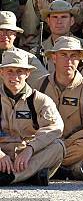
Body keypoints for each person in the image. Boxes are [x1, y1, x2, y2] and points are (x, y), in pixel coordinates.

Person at [36, 36, 83, 180]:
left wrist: (63, 144)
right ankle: (66, 171)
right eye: (63, 55)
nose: (69, 61)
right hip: (44, 143)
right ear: (54, 57)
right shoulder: (39, 86)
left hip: (73, 145)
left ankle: (45, 168)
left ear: (79, 60)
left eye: (73, 56)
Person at [0, 50, 64, 186]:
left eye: (19, 72)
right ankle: (30, 177)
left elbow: (56, 127)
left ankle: (10, 177)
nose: (14, 76)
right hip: (2, 150)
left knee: (58, 147)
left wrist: (31, 148)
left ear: (27, 74)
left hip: (27, 155)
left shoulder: (40, 100)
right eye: (9, 71)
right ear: (2, 73)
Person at [35, 0, 83, 72]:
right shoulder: (37, 52)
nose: (59, 21)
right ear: (48, 21)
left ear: (72, 21)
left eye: (64, 17)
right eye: (55, 17)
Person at [0, 11, 48, 85]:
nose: (4, 35)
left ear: (15, 34)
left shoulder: (28, 58)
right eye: (0, 32)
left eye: (9, 31)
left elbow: (43, 83)